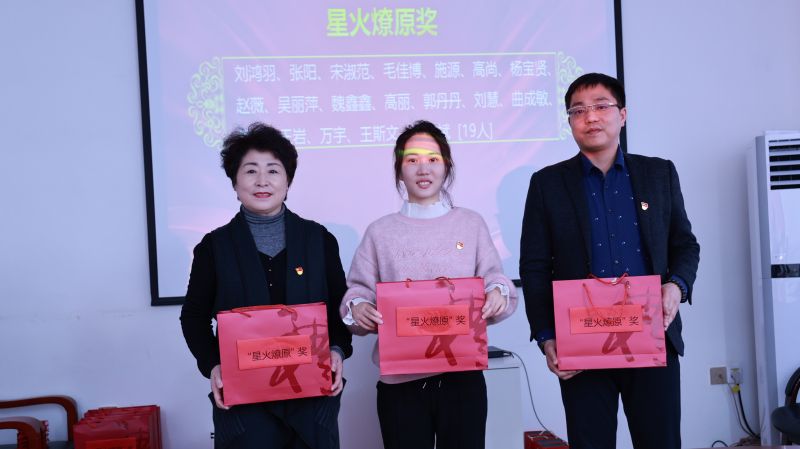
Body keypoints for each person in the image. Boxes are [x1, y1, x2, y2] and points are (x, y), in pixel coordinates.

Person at [519, 73, 700, 449]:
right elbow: (534, 267)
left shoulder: (658, 173)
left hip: (651, 336)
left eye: (601, 106)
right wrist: (546, 336)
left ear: (623, 114)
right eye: (578, 110)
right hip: (581, 341)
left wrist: (676, 286)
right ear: (570, 121)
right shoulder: (548, 184)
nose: (591, 117)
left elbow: (685, 245)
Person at [340, 120, 518, 449]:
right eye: (412, 159)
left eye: (433, 159)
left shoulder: (471, 223)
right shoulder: (380, 231)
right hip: (400, 383)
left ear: (447, 166)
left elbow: (494, 276)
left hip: (462, 376)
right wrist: (359, 307)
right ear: (399, 170)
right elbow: (358, 291)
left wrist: (496, 291)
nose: (423, 169)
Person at [180, 122, 353, 449]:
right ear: (234, 182)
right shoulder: (213, 247)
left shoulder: (318, 239)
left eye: (273, 170)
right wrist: (213, 365)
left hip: (311, 399)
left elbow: (338, 308)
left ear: (288, 180)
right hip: (244, 405)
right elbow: (193, 317)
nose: (262, 181)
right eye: (250, 171)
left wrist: (337, 350)